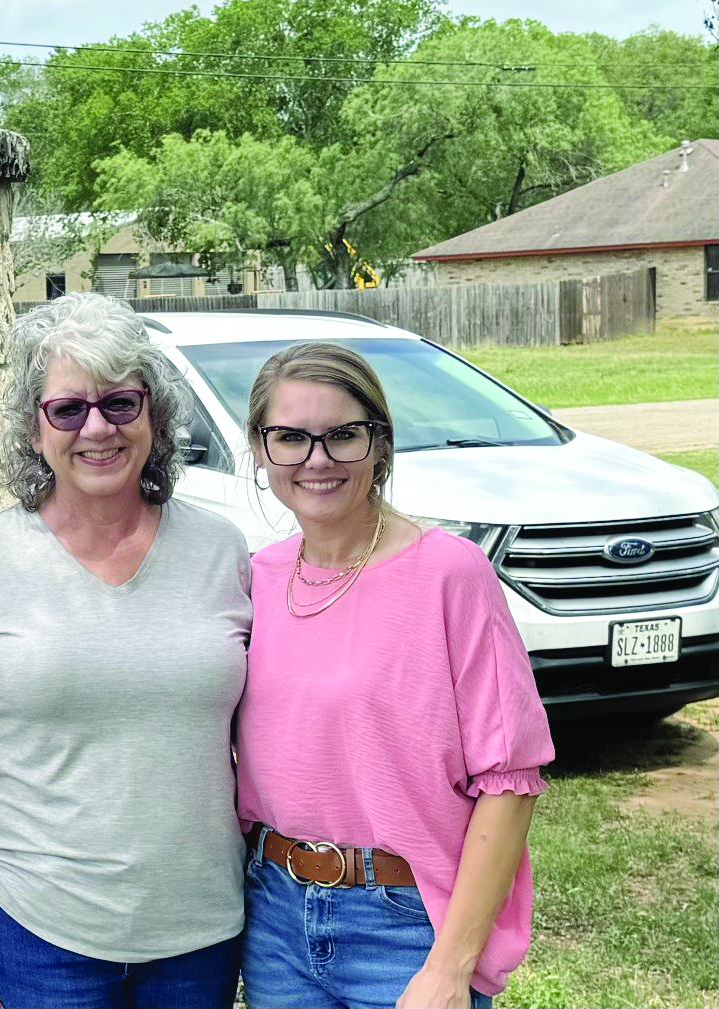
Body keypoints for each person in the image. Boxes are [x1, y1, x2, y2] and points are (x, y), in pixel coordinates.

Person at [0, 293, 253, 1009]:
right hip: (39, 930)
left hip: (197, 931)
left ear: (155, 415)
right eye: (68, 409)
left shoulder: (223, 551)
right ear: (33, 430)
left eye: (121, 403)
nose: (97, 427)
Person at [236, 342, 554, 1009]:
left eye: (342, 435)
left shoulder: (450, 575)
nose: (316, 459)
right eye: (290, 437)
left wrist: (450, 965)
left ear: (380, 445)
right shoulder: (255, 580)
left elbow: (511, 782)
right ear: (261, 451)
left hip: (405, 926)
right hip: (276, 920)